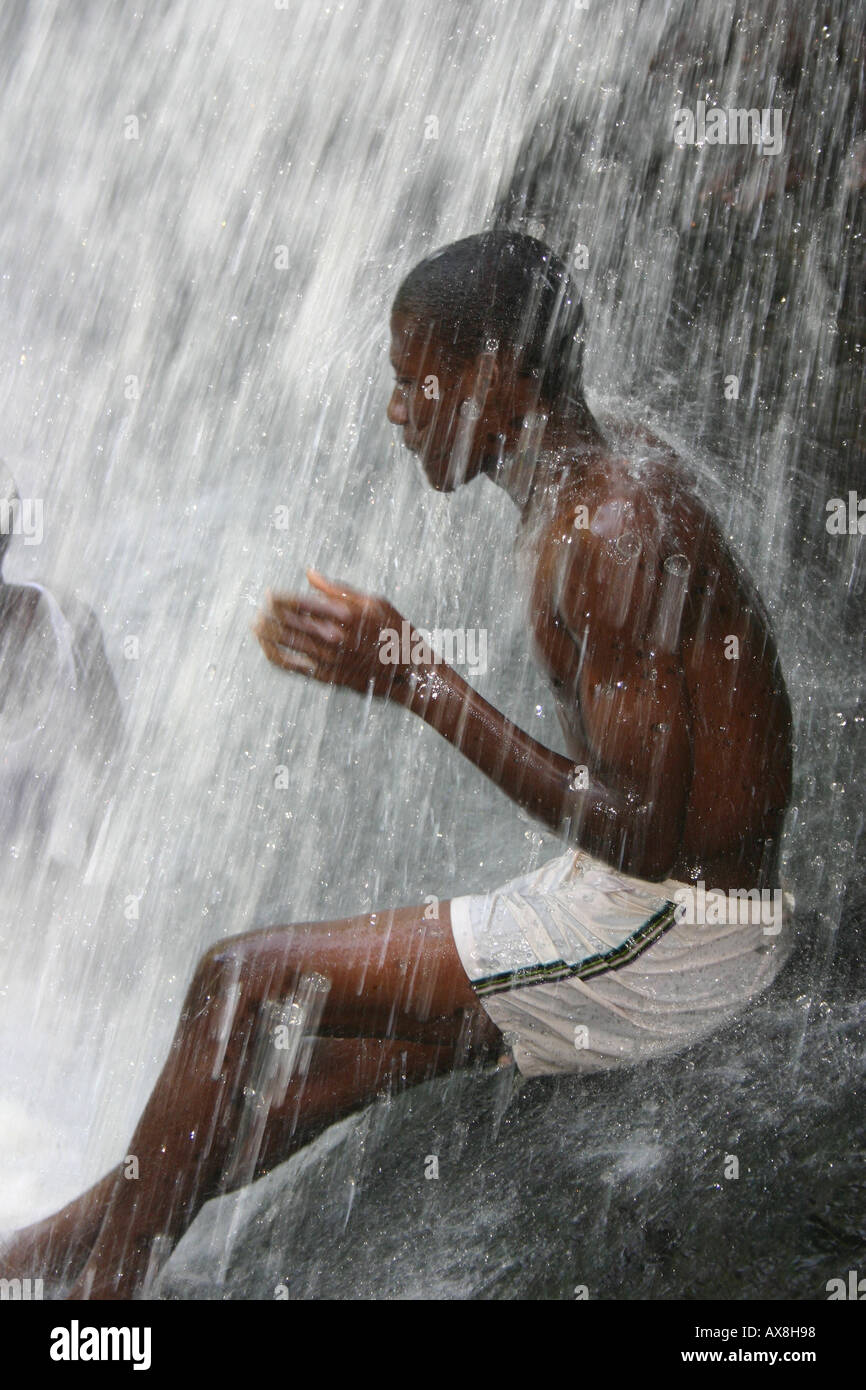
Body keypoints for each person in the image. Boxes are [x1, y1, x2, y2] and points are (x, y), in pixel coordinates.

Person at [1, 231, 792, 1300]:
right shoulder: (590, 475)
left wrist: (413, 676)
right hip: (667, 906)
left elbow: (640, 832)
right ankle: (43, 1257)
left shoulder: (607, 532)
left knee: (237, 983)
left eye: (414, 376)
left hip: (671, 938)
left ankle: (101, 1320)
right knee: (312, 1078)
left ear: (499, 376)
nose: (394, 408)